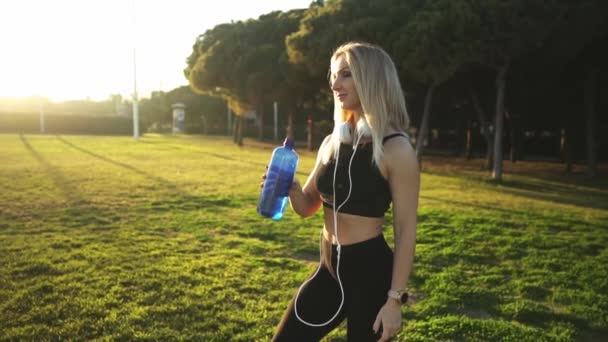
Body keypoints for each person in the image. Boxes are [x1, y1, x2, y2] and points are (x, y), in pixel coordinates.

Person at [268, 41, 419, 341]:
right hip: (329, 270)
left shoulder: (396, 148)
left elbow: (405, 229)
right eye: (334, 75)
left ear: (372, 78)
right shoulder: (333, 142)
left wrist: (394, 300)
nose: (335, 83)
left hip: (372, 276)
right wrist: (290, 187)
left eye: (346, 74)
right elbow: (306, 206)